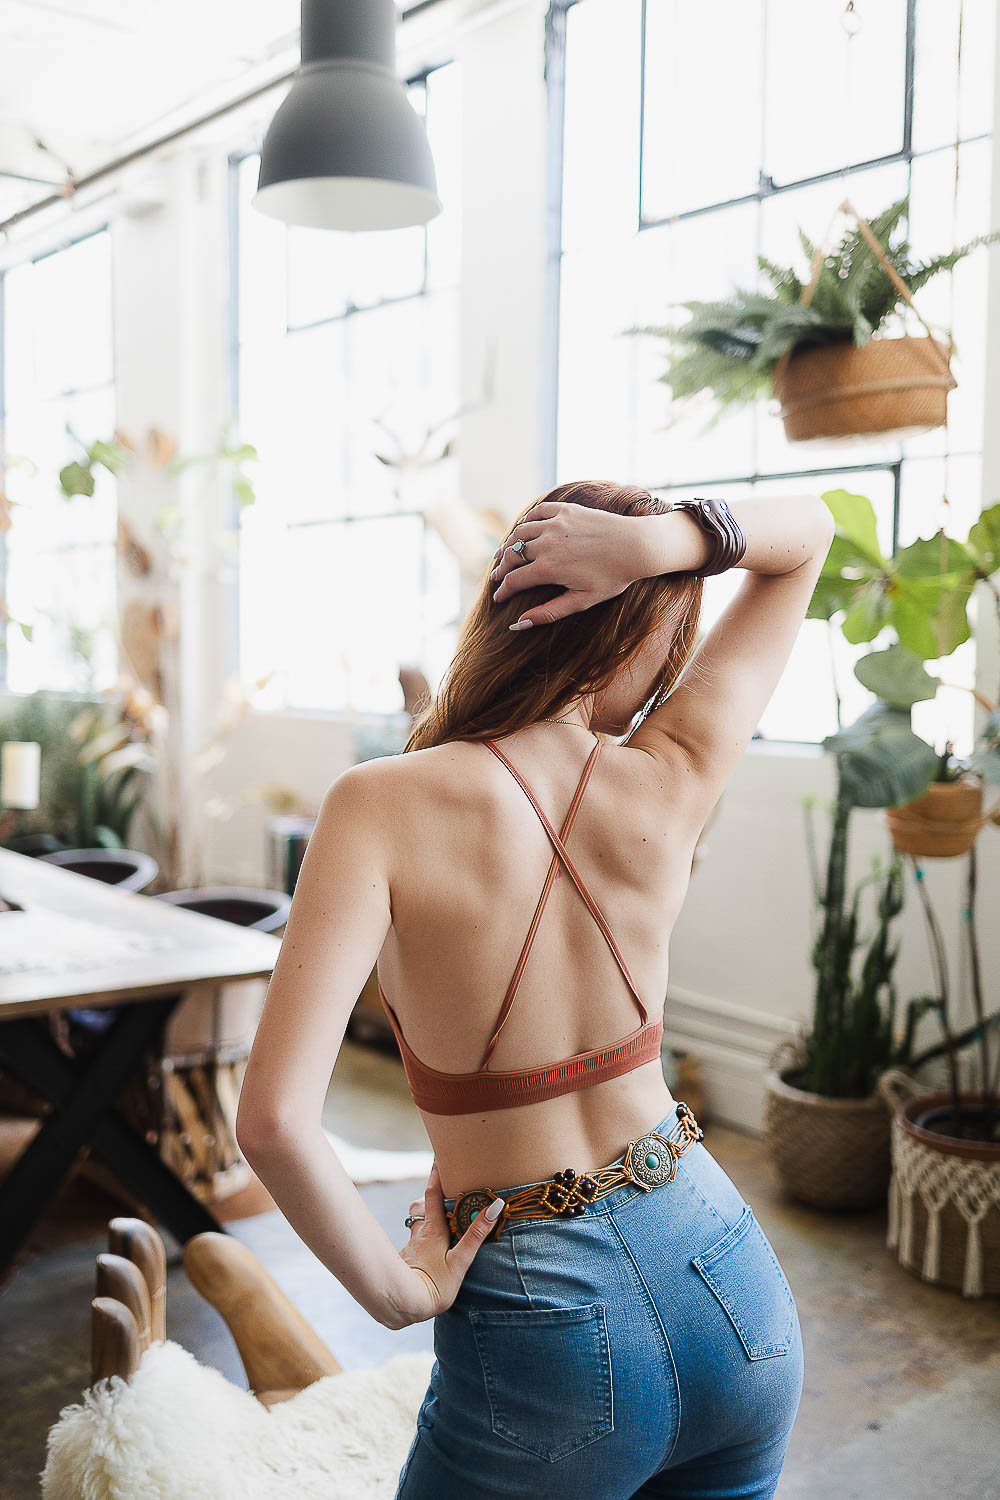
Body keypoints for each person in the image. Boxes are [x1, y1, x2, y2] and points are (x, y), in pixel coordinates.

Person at [236, 480, 835, 1499]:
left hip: (543, 1316)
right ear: (638, 634)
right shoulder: (672, 773)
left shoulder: (377, 803)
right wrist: (662, 542)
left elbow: (274, 1123)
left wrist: (396, 1292)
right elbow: (808, 532)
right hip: (725, 1275)